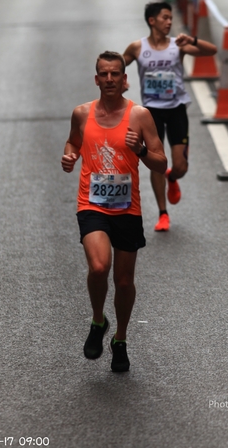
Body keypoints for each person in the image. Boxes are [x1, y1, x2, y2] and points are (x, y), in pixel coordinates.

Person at [61, 51, 167, 372]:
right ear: (97, 79)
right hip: (91, 204)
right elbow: (72, 143)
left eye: (115, 74)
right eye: (104, 74)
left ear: (124, 79)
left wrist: (141, 150)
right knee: (98, 267)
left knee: (123, 281)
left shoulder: (140, 116)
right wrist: (69, 157)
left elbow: (161, 163)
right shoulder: (82, 114)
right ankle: (98, 320)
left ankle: (120, 338)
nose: (109, 79)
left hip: (126, 208)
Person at [123, 2, 217, 232]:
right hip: (151, 112)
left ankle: (172, 178)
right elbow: (117, 64)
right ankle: (163, 213)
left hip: (176, 109)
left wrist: (192, 40)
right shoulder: (137, 47)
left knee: (181, 166)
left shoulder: (178, 45)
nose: (169, 22)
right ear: (152, 20)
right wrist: (121, 81)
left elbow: (212, 51)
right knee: (156, 163)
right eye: (165, 17)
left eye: (171, 18)